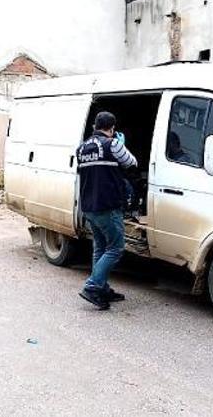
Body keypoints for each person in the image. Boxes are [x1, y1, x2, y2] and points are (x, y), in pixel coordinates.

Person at [75, 111, 138, 310]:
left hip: (89, 206)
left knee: (100, 248)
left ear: (95, 126)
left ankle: (101, 287)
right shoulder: (113, 144)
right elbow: (132, 163)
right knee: (115, 248)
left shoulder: (82, 148)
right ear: (112, 128)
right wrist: (121, 143)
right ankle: (93, 286)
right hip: (108, 205)